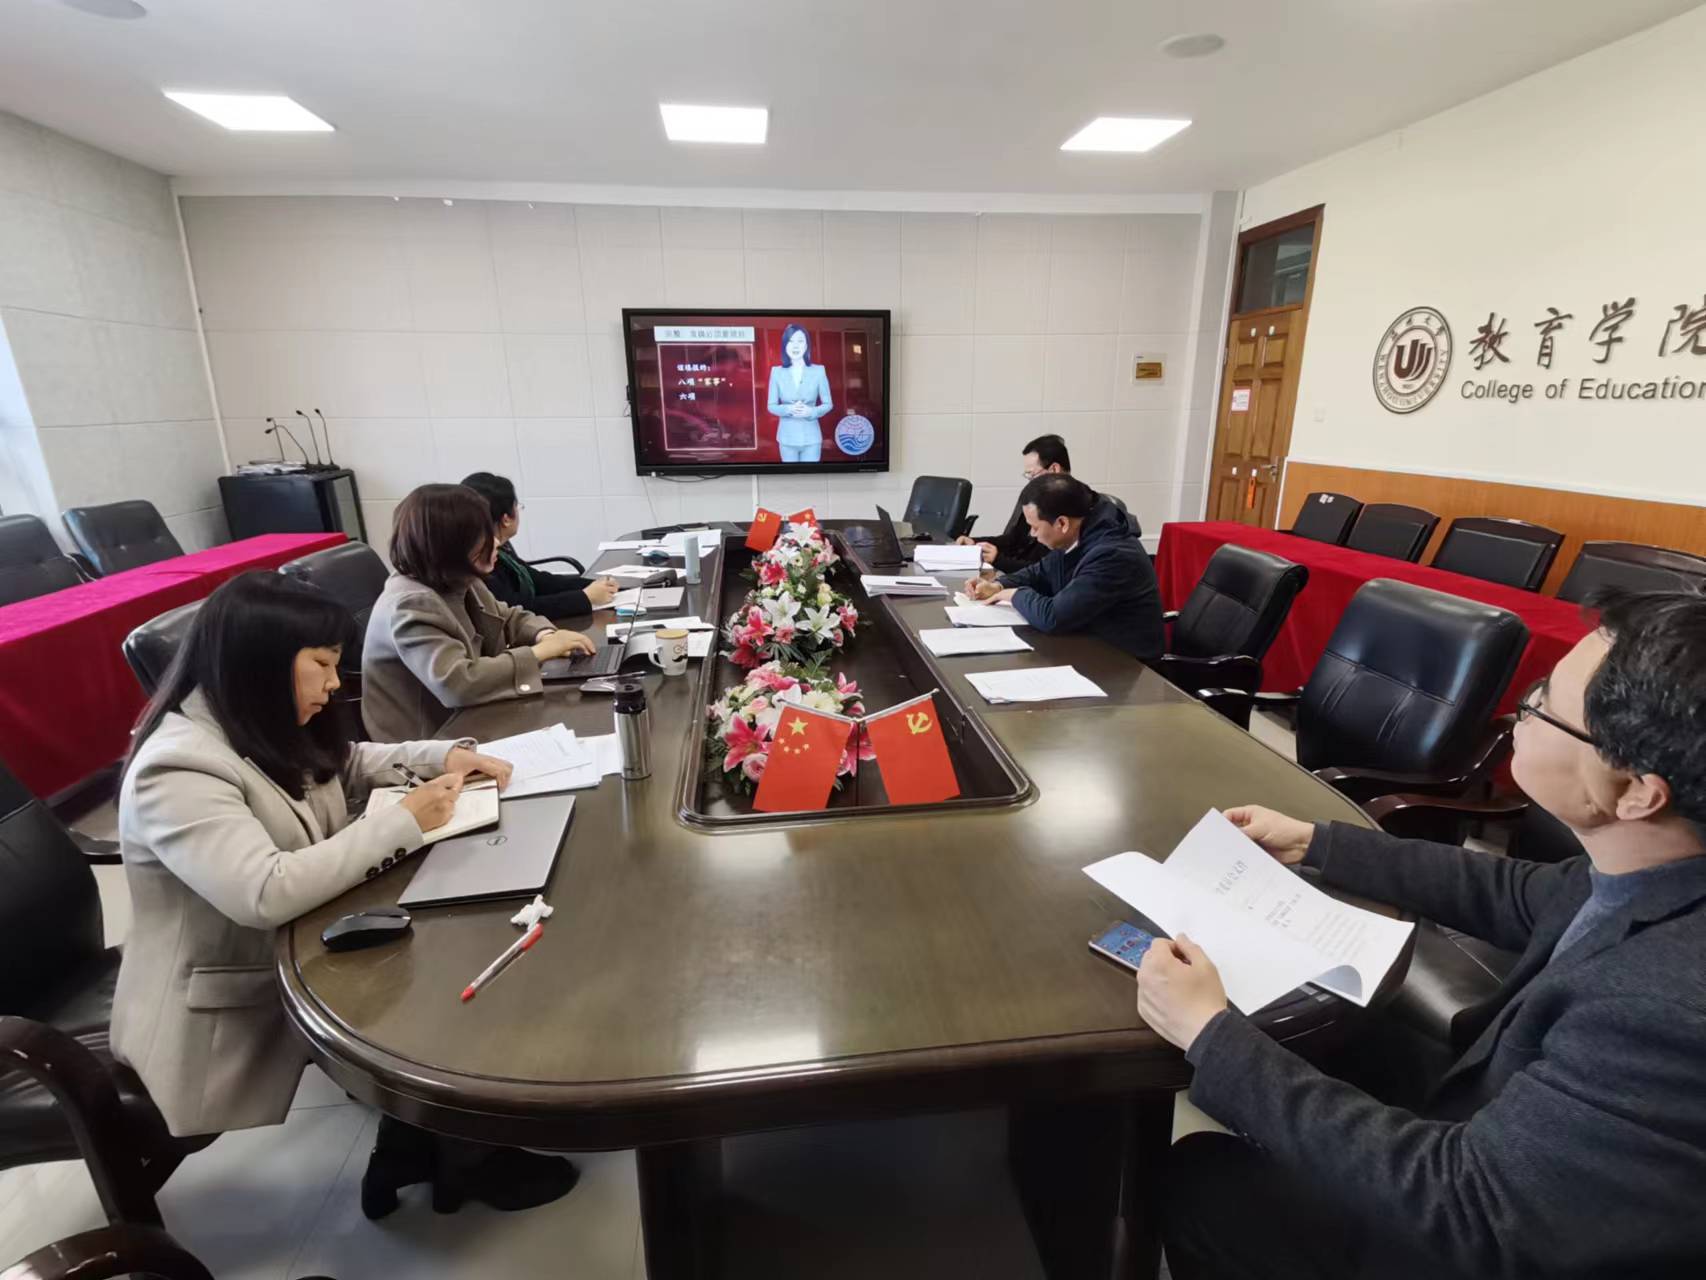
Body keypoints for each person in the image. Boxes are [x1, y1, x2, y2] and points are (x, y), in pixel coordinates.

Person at [1142, 589, 1706, 1280]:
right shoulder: (1658, 863)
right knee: (1346, 1041)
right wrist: (1315, 842)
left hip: (1484, 1233)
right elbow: (1517, 891)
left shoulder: (1666, 1011)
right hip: (1520, 1122)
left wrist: (1211, 1034)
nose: (1518, 714)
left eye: (1544, 708)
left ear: (1637, 792)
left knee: (1202, 1180)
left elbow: (1470, 1209)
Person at [110, 571, 579, 1217]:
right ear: (261, 664)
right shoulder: (177, 767)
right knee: (443, 980)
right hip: (228, 993)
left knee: (456, 936)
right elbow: (264, 891)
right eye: (323, 665)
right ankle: (463, 1156)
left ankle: (421, 1145)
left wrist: (444, 756)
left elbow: (347, 762)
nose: (336, 683)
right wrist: (405, 821)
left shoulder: (253, 716)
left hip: (308, 937)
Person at [362, 483, 594, 741]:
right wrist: (540, 652)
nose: (496, 542)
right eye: (482, 535)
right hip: (428, 743)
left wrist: (546, 635)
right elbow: (457, 683)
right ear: (451, 544)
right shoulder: (410, 603)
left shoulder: (458, 577)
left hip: (472, 717)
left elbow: (507, 617)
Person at [962, 473, 1163, 662]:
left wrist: (1014, 595)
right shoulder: (1079, 532)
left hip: (1124, 663)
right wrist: (998, 585)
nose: (1032, 534)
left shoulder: (1112, 554)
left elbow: (1054, 617)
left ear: (1062, 523)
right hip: (1087, 644)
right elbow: (1040, 571)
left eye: (1035, 527)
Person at [460, 471, 619, 619]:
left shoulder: (501, 549)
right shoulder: (481, 562)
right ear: (506, 519)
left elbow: (538, 580)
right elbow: (515, 609)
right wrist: (585, 597)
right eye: (517, 506)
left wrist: (593, 585)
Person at [956, 433, 1071, 573]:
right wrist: (975, 544)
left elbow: (1047, 572)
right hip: (1016, 576)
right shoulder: (1034, 495)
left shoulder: (1072, 508)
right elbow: (1015, 539)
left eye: (1032, 474)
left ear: (1054, 469)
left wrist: (999, 560)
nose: (1030, 481)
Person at [766, 322, 833, 463]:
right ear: (785, 345)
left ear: (806, 345)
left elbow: (828, 404)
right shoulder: (776, 372)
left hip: (811, 438)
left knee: (810, 476)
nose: (795, 346)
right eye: (791, 341)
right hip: (787, 438)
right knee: (790, 477)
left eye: (800, 341)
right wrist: (788, 409)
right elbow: (771, 406)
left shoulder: (819, 371)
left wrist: (811, 411)